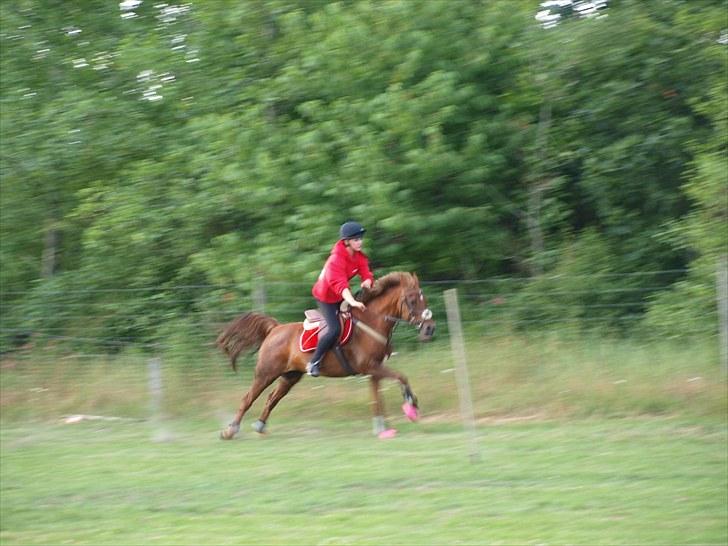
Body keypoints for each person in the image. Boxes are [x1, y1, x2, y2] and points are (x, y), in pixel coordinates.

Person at [307, 221, 374, 377]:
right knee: (335, 329)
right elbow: (341, 285)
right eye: (356, 239)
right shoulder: (335, 260)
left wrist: (367, 281)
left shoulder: (359, 256)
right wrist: (352, 302)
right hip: (327, 297)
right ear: (346, 242)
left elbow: (366, 272)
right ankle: (314, 362)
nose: (360, 242)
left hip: (341, 295)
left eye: (361, 238)